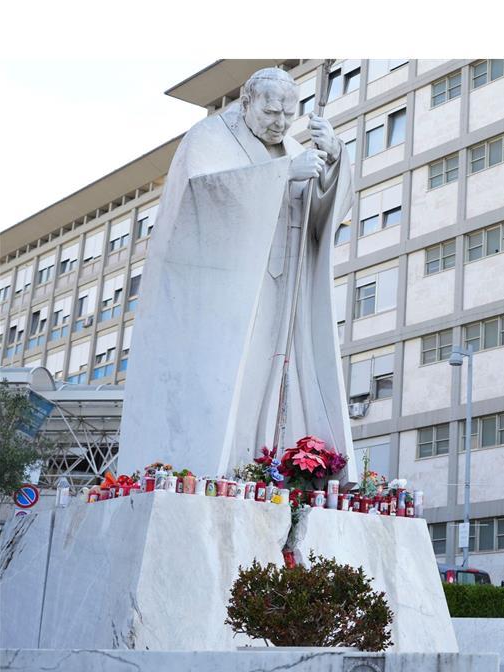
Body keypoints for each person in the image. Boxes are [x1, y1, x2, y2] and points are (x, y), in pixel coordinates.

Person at [119, 67, 356, 481]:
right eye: (270, 113)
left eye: (288, 114)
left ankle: (265, 471)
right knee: (232, 387)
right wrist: (283, 174)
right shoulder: (208, 137)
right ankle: (225, 470)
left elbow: (321, 217)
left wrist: (334, 160)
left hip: (283, 291)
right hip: (228, 295)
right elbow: (202, 195)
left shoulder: (293, 147)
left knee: (276, 387)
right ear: (246, 103)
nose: (280, 123)